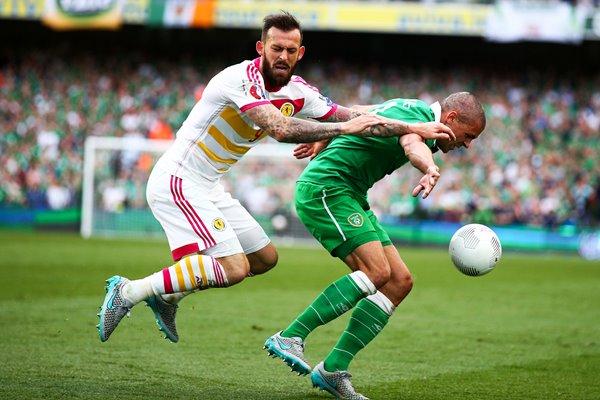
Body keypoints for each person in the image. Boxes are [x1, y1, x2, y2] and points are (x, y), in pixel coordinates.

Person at [97, 11, 454, 344]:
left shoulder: (299, 92)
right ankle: (128, 291)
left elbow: (357, 116)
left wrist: (411, 127)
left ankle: (168, 296)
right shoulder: (238, 79)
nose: (282, 56)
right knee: (233, 267)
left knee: (264, 258)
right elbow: (280, 128)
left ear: (300, 53)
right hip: (179, 179)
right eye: (275, 48)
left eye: (290, 50)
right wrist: (340, 129)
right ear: (261, 48)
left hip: (208, 185)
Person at [264, 92, 486, 400]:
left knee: (398, 282)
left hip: (352, 194)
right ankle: (291, 336)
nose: (467, 144)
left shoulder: (407, 107)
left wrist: (323, 139)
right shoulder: (419, 118)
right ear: (451, 119)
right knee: (376, 270)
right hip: (327, 188)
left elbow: (356, 112)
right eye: (468, 135)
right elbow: (412, 144)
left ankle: (333, 369)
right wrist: (429, 168)